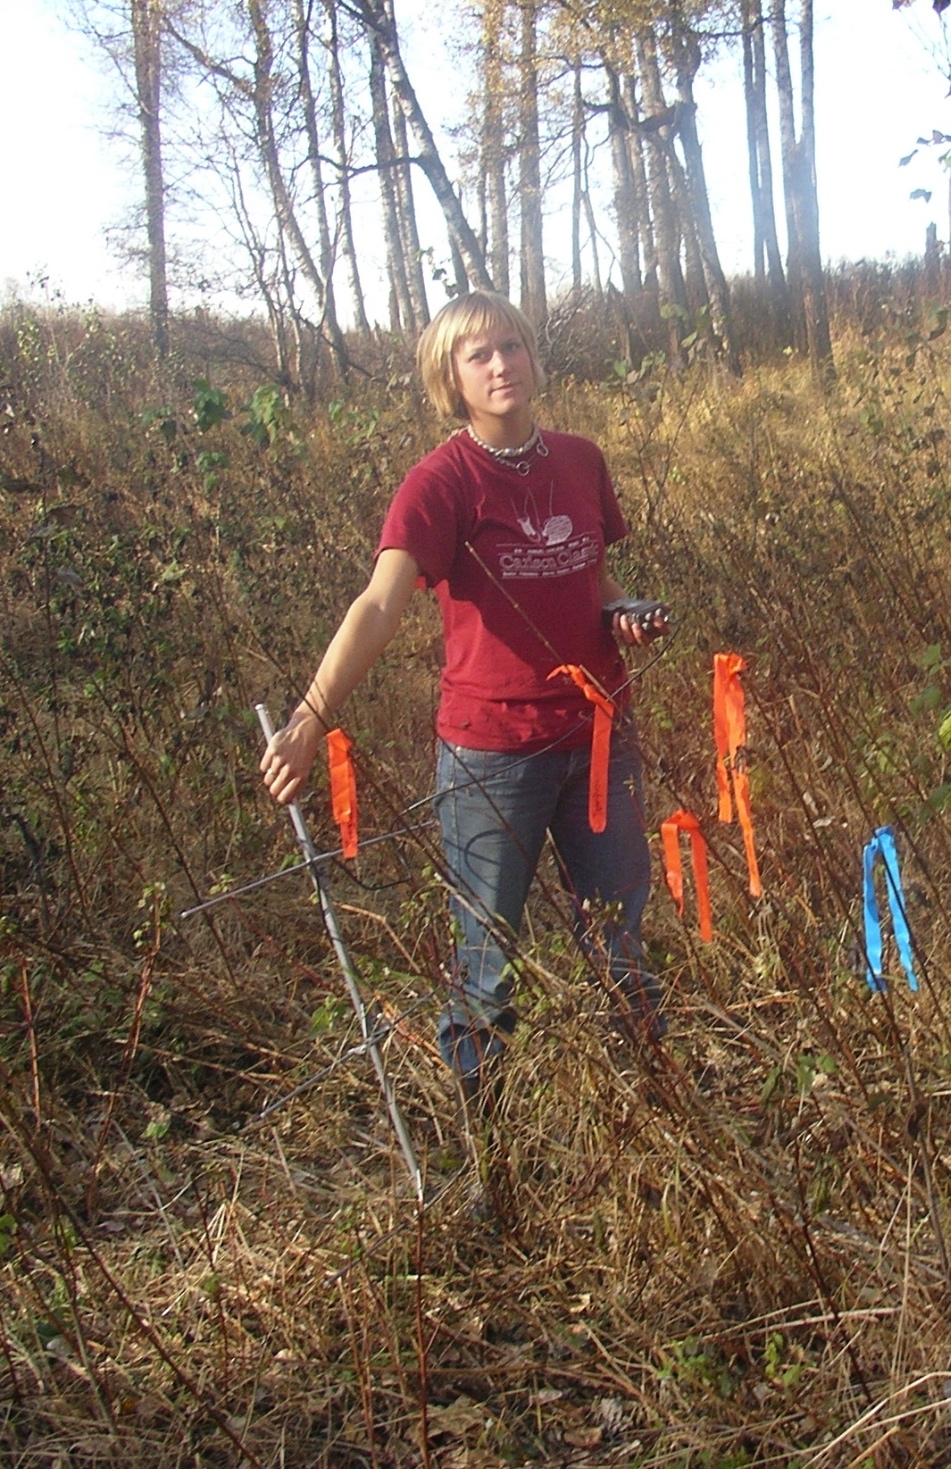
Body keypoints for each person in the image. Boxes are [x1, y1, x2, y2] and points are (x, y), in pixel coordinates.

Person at [260, 290, 670, 1097]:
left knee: (620, 938)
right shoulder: (439, 483)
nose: (500, 365)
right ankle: (494, 1145)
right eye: (477, 355)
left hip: (595, 739)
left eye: (510, 346)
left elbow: (593, 574)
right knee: (487, 962)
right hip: (492, 757)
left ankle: (659, 1110)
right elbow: (379, 605)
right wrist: (311, 716)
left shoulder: (581, 459)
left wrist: (621, 612)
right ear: (451, 378)